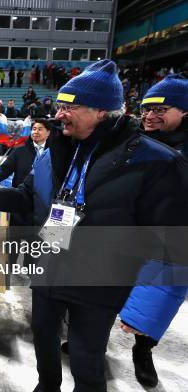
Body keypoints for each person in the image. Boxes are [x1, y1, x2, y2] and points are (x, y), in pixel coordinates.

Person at [0, 60, 187, 392]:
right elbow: (29, 196)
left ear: (102, 111)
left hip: (100, 280)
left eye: (68, 107)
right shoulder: (56, 150)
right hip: (50, 267)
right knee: (43, 338)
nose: (58, 115)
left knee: (87, 359)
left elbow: (172, 241)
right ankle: (47, 386)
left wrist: (146, 309)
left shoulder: (157, 160)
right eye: (59, 106)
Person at [118, 74, 188, 388]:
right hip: (124, 230)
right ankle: (89, 339)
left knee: (158, 299)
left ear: (184, 111)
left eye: (161, 110)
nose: (150, 115)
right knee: (108, 289)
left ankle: (143, 351)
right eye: (147, 108)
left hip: (169, 237)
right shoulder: (131, 139)